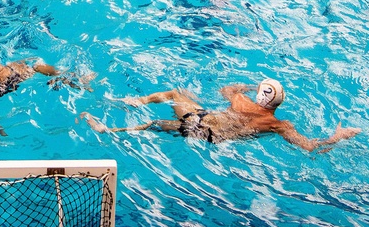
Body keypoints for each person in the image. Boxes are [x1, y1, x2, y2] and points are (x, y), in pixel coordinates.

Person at [81, 79, 360, 152]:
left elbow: (226, 88)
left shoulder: (239, 100)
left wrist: (246, 86)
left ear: (259, 94)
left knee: (174, 95)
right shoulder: (278, 124)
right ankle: (109, 130)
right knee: (155, 125)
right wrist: (338, 136)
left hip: (204, 120)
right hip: (209, 134)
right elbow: (310, 146)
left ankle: (133, 103)